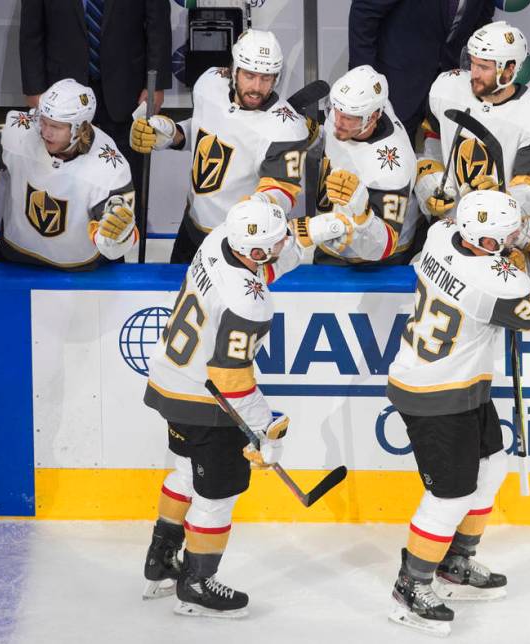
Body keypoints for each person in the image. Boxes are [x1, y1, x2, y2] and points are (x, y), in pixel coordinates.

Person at [385, 190, 530, 636]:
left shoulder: (442, 235)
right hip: (436, 393)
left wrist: (512, 252)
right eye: (508, 235)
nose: (517, 234)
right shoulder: (496, 282)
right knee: (450, 496)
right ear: (487, 243)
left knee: (491, 466)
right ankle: (411, 585)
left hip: (461, 385)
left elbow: (480, 243)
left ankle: (455, 562)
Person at [141, 199, 307, 618]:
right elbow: (231, 377)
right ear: (257, 251)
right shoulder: (249, 303)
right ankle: (196, 583)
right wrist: (263, 430)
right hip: (205, 400)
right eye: (277, 240)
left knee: (182, 470)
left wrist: (321, 229)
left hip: (170, 379)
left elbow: (266, 262)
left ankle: (160, 560)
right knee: (217, 495)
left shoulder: (218, 238)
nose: (285, 239)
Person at [129, 29, 319, 263]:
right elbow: (204, 131)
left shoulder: (286, 129)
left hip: (238, 243)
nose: (257, 88)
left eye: (266, 78)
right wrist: (172, 133)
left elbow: (283, 190)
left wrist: (261, 205)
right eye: (249, 75)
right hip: (191, 225)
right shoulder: (209, 83)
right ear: (234, 69)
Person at [416, 20, 530, 277]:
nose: (473, 73)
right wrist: (431, 186)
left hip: (507, 232)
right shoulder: (446, 87)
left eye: (483, 67)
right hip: (454, 223)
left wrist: (500, 199)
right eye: (472, 63)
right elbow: (432, 145)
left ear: (509, 70)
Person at [19, 0, 173, 208]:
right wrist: (35, 89)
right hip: (62, 96)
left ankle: (125, 233)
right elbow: (31, 31)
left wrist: (156, 84)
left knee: (129, 180)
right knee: (61, 183)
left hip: (128, 90)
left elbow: (158, 24)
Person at [0, 79, 137, 269]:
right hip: (14, 260)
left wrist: (115, 235)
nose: (45, 133)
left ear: (80, 129)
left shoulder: (110, 167)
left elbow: (115, 247)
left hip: (78, 273)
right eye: (43, 121)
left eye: (56, 127)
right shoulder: (21, 132)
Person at [296, 65, 421, 265]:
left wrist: (360, 209)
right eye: (336, 110)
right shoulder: (355, 112)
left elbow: (385, 244)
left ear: (372, 117)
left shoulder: (391, 168)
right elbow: (334, 139)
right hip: (330, 242)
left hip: (373, 262)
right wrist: (310, 133)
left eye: (347, 117)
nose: (337, 121)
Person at [348, 0, 496, 140]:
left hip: (450, 81)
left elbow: (482, 22)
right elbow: (364, 13)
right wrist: (363, 79)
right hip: (397, 80)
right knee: (389, 157)